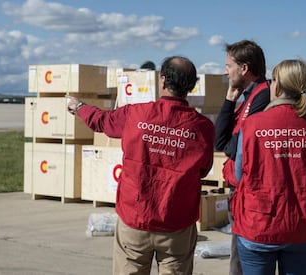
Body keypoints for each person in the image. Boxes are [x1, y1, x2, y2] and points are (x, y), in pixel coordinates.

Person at [67, 56, 215, 275]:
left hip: (135, 219)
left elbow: (102, 121)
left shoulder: (135, 114)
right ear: (191, 87)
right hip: (176, 222)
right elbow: (204, 169)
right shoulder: (202, 127)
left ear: (163, 81)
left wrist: (79, 106)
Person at [232, 59, 306, 275]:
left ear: (276, 86)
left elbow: (239, 173)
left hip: (259, 223)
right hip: (303, 224)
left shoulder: (252, 125)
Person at [214, 39, 270, 275]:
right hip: (241, 190)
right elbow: (221, 142)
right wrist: (229, 99)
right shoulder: (246, 96)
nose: (225, 71)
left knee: (241, 263)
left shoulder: (262, 97)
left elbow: (231, 147)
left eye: (229, 66)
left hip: (250, 193)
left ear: (244, 69)